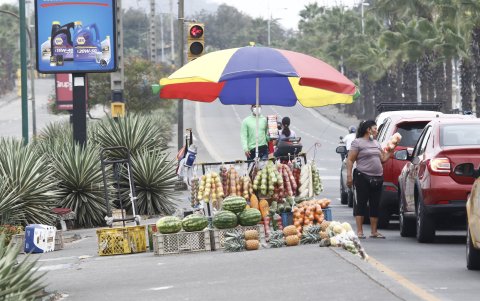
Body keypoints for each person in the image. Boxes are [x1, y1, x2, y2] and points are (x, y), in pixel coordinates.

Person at [346, 120, 394, 239]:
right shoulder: (357, 143)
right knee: (361, 204)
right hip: (362, 176)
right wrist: (349, 176)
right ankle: (360, 231)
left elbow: (383, 159)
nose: (376, 131)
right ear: (368, 130)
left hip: (377, 178)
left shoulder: (377, 143)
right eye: (375, 128)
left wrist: (391, 151)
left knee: (375, 204)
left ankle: (374, 231)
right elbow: (350, 159)